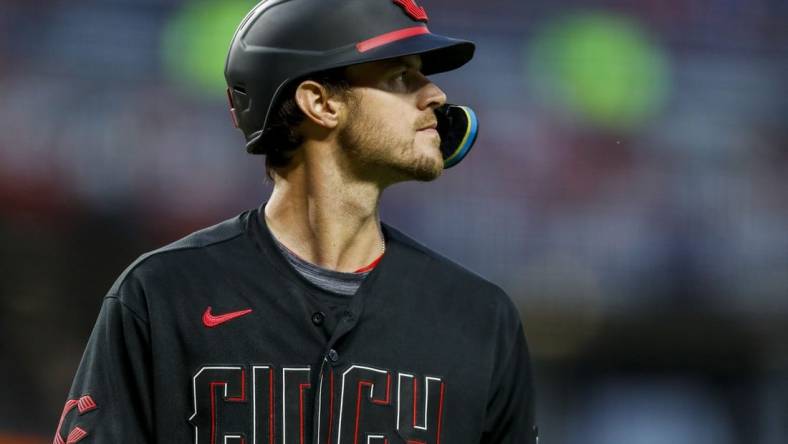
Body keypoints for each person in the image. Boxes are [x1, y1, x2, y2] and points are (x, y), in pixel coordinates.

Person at [54, 0, 537, 443]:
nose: (435, 94)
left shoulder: (481, 319)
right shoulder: (162, 295)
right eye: (399, 77)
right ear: (320, 103)